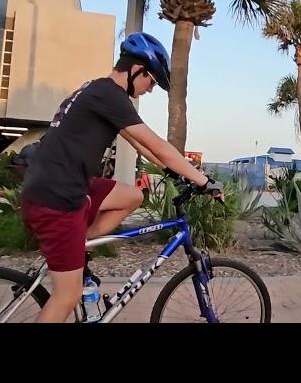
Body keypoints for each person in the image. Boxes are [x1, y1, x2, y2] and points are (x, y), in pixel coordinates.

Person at [20, 32, 222, 323]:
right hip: (56, 198)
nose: (150, 89)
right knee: (67, 297)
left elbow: (141, 144)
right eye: (151, 81)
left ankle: (78, 244)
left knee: (133, 196)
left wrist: (173, 172)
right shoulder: (109, 95)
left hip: (61, 184)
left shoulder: (99, 90)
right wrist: (203, 180)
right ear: (136, 69)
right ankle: (73, 248)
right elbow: (159, 146)